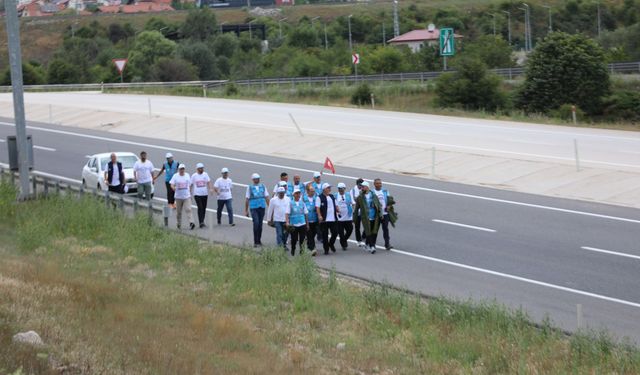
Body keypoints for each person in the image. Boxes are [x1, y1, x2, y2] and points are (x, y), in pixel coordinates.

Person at [354, 181, 381, 253]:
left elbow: (379, 205)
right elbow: (356, 208)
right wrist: (355, 218)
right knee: (368, 231)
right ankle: (372, 246)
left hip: (374, 216)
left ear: (367, 187)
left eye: (363, 187)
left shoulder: (374, 195)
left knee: (373, 232)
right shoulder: (360, 197)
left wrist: (380, 215)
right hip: (365, 217)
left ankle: (367, 244)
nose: (361, 188)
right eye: (361, 187)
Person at [245, 173, 270, 248]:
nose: (257, 180)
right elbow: (247, 199)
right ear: (253, 179)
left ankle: (259, 240)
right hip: (253, 207)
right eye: (256, 178)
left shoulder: (263, 186)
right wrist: (246, 210)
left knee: (260, 225)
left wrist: (270, 207)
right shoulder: (250, 187)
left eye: (258, 178)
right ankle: (255, 241)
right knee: (256, 223)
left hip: (262, 206)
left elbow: (266, 197)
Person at [316, 183, 339, 255]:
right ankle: (326, 249)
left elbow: (336, 204)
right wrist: (319, 215)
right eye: (328, 188)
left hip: (333, 219)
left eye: (330, 188)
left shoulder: (332, 196)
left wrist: (337, 208)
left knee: (335, 232)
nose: (329, 189)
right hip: (324, 220)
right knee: (325, 236)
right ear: (324, 189)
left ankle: (331, 243)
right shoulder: (319, 197)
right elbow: (317, 208)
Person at [170, 164, 195, 230]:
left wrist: (190, 193)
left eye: (183, 169)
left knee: (188, 209)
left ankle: (191, 222)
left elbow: (189, 185)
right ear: (179, 170)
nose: (182, 170)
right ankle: (179, 223)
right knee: (179, 212)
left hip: (186, 196)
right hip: (178, 197)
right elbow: (171, 184)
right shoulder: (175, 176)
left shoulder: (187, 175)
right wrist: (174, 188)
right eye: (181, 169)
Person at [286, 188, 310, 256]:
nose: (298, 195)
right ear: (293, 195)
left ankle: (301, 251)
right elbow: (287, 213)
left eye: (299, 193)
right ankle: (293, 249)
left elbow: (306, 214)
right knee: (294, 239)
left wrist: (307, 224)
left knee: (302, 239)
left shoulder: (302, 203)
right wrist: (287, 222)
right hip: (294, 224)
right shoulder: (290, 203)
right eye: (296, 193)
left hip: (302, 223)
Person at [373, 178, 393, 250]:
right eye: (377, 183)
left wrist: (388, 206)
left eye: (380, 183)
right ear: (374, 184)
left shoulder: (385, 191)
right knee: (375, 230)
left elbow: (390, 201)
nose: (379, 185)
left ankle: (387, 244)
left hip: (385, 214)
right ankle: (373, 244)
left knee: (385, 229)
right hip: (376, 215)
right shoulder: (372, 192)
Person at [191, 163, 212, 229]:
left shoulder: (205, 174)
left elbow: (208, 182)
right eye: (200, 168)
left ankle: (202, 221)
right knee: (200, 207)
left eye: (202, 168)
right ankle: (201, 222)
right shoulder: (194, 176)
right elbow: (190, 184)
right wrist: (189, 192)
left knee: (204, 208)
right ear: (197, 169)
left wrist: (210, 189)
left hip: (204, 194)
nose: (201, 169)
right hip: (197, 194)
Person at [335, 182, 354, 250]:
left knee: (350, 230)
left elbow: (353, 203)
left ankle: (344, 240)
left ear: (345, 188)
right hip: (339, 218)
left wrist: (353, 212)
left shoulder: (348, 195)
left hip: (348, 217)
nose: (340, 190)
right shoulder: (335, 195)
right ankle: (343, 244)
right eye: (339, 188)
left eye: (342, 188)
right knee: (341, 233)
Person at [302, 185, 319, 256]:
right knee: (309, 235)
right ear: (308, 191)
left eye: (314, 191)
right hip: (307, 220)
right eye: (311, 191)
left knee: (314, 233)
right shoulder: (304, 198)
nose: (313, 193)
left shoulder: (316, 198)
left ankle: (310, 245)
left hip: (315, 219)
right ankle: (312, 249)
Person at [350, 178, 365, 247]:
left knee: (367, 225)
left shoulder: (364, 190)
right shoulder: (352, 191)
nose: (361, 186)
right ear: (357, 184)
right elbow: (352, 201)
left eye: (362, 185)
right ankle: (358, 240)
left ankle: (364, 236)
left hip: (364, 211)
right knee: (357, 227)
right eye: (360, 185)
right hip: (356, 212)